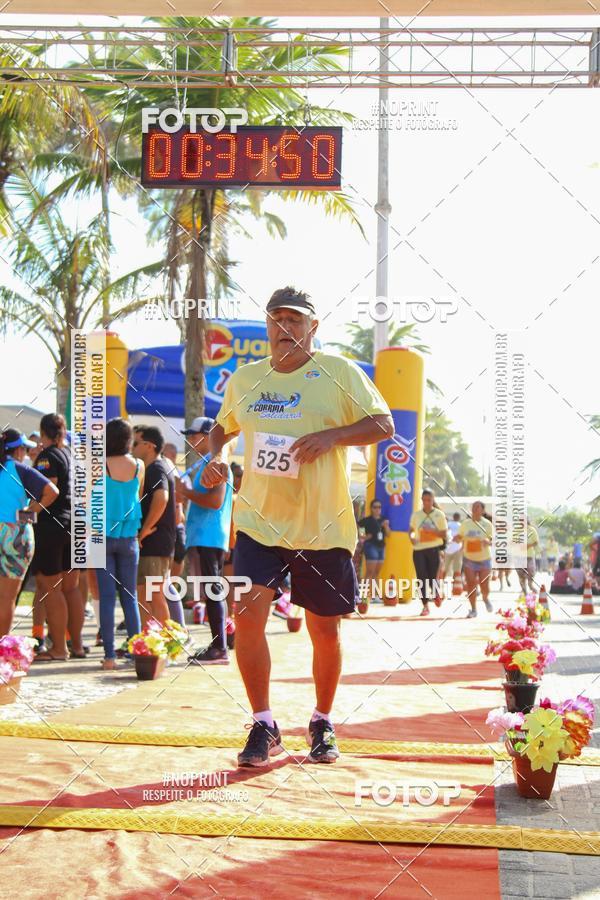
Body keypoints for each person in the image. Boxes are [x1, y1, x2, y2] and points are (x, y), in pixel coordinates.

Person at [200, 286, 393, 766]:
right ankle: (264, 724)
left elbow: (384, 424)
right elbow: (223, 427)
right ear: (267, 325)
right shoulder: (245, 378)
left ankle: (321, 720)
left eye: (295, 319)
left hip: (322, 527)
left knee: (323, 631)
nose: (285, 328)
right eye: (277, 319)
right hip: (258, 524)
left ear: (313, 326)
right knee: (246, 617)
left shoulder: (339, 373)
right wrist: (218, 455)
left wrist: (333, 436)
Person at [177, 416, 233, 665]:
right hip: (203, 535)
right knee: (211, 592)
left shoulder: (216, 463)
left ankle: (219, 647)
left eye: (194, 434)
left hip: (210, 535)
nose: (189, 439)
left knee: (213, 591)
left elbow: (215, 501)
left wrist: (185, 492)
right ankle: (218, 644)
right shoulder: (205, 463)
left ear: (208, 435)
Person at [31, 413, 85, 661]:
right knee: (71, 588)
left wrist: (31, 511)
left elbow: (49, 489)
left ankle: (59, 649)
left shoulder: (47, 456)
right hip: (75, 524)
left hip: (53, 526)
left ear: (43, 432)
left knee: (48, 586)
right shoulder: (71, 455)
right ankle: (76, 645)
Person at [95, 417, 144, 670]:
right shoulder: (139, 465)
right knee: (130, 596)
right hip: (129, 538)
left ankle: (109, 656)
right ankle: (137, 651)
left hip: (102, 536)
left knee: (106, 598)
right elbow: (138, 495)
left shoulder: (99, 465)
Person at [0, 429, 58, 636]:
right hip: (16, 532)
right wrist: (30, 512)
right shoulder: (19, 470)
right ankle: (2, 650)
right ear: (16, 451)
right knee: (7, 598)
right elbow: (52, 491)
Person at [133, 425, 176, 627]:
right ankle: (151, 645)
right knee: (146, 594)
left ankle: (163, 645)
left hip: (155, 542)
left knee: (152, 595)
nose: (131, 448)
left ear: (149, 446)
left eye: (135, 443)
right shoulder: (155, 467)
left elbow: (162, 498)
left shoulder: (156, 468)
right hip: (157, 542)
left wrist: (144, 531)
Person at [409, 490, 448, 615]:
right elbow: (411, 530)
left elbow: (444, 534)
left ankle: (436, 593)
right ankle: (425, 606)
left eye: (429, 500)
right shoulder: (416, 515)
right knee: (421, 577)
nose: (426, 502)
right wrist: (412, 537)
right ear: (421, 500)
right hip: (418, 550)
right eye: (424, 500)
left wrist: (432, 531)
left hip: (433, 548)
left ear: (433, 500)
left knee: (432, 578)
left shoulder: (439, 515)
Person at [162, 442, 187, 627]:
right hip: (174, 529)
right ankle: (175, 625)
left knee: (166, 582)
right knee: (166, 583)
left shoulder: (168, 469)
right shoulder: (173, 470)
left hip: (171, 530)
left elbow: (179, 502)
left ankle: (177, 627)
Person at [456, 500, 493, 618]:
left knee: (484, 585)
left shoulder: (487, 524)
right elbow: (460, 536)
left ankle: (485, 598)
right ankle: (473, 609)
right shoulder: (465, 524)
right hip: (469, 559)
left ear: (482, 510)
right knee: (471, 584)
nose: (475, 509)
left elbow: (493, 540)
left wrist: (488, 541)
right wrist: (457, 538)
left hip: (484, 559)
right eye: (474, 507)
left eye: (478, 507)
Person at [358, 499, 390, 601]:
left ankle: (375, 596)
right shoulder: (366, 521)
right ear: (371, 508)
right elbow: (361, 533)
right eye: (375, 507)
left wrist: (386, 526)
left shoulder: (384, 520)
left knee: (376, 572)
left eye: (379, 507)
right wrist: (366, 537)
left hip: (381, 547)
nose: (377, 509)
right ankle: (363, 595)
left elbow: (389, 534)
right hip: (371, 546)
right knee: (369, 572)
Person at [517, 520, 539, 594]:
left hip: (529, 556)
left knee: (531, 573)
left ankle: (530, 585)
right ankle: (524, 591)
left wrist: (528, 546)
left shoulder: (532, 530)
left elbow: (536, 542)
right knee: (521, 575)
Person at [443, 512, 462, 580]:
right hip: (456, 549)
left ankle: (441, 583)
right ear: (459, 518)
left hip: (449, 549)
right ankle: (455, 584)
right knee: (456, 569)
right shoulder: (460, 525)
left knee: (445, 568)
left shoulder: (448, 524)